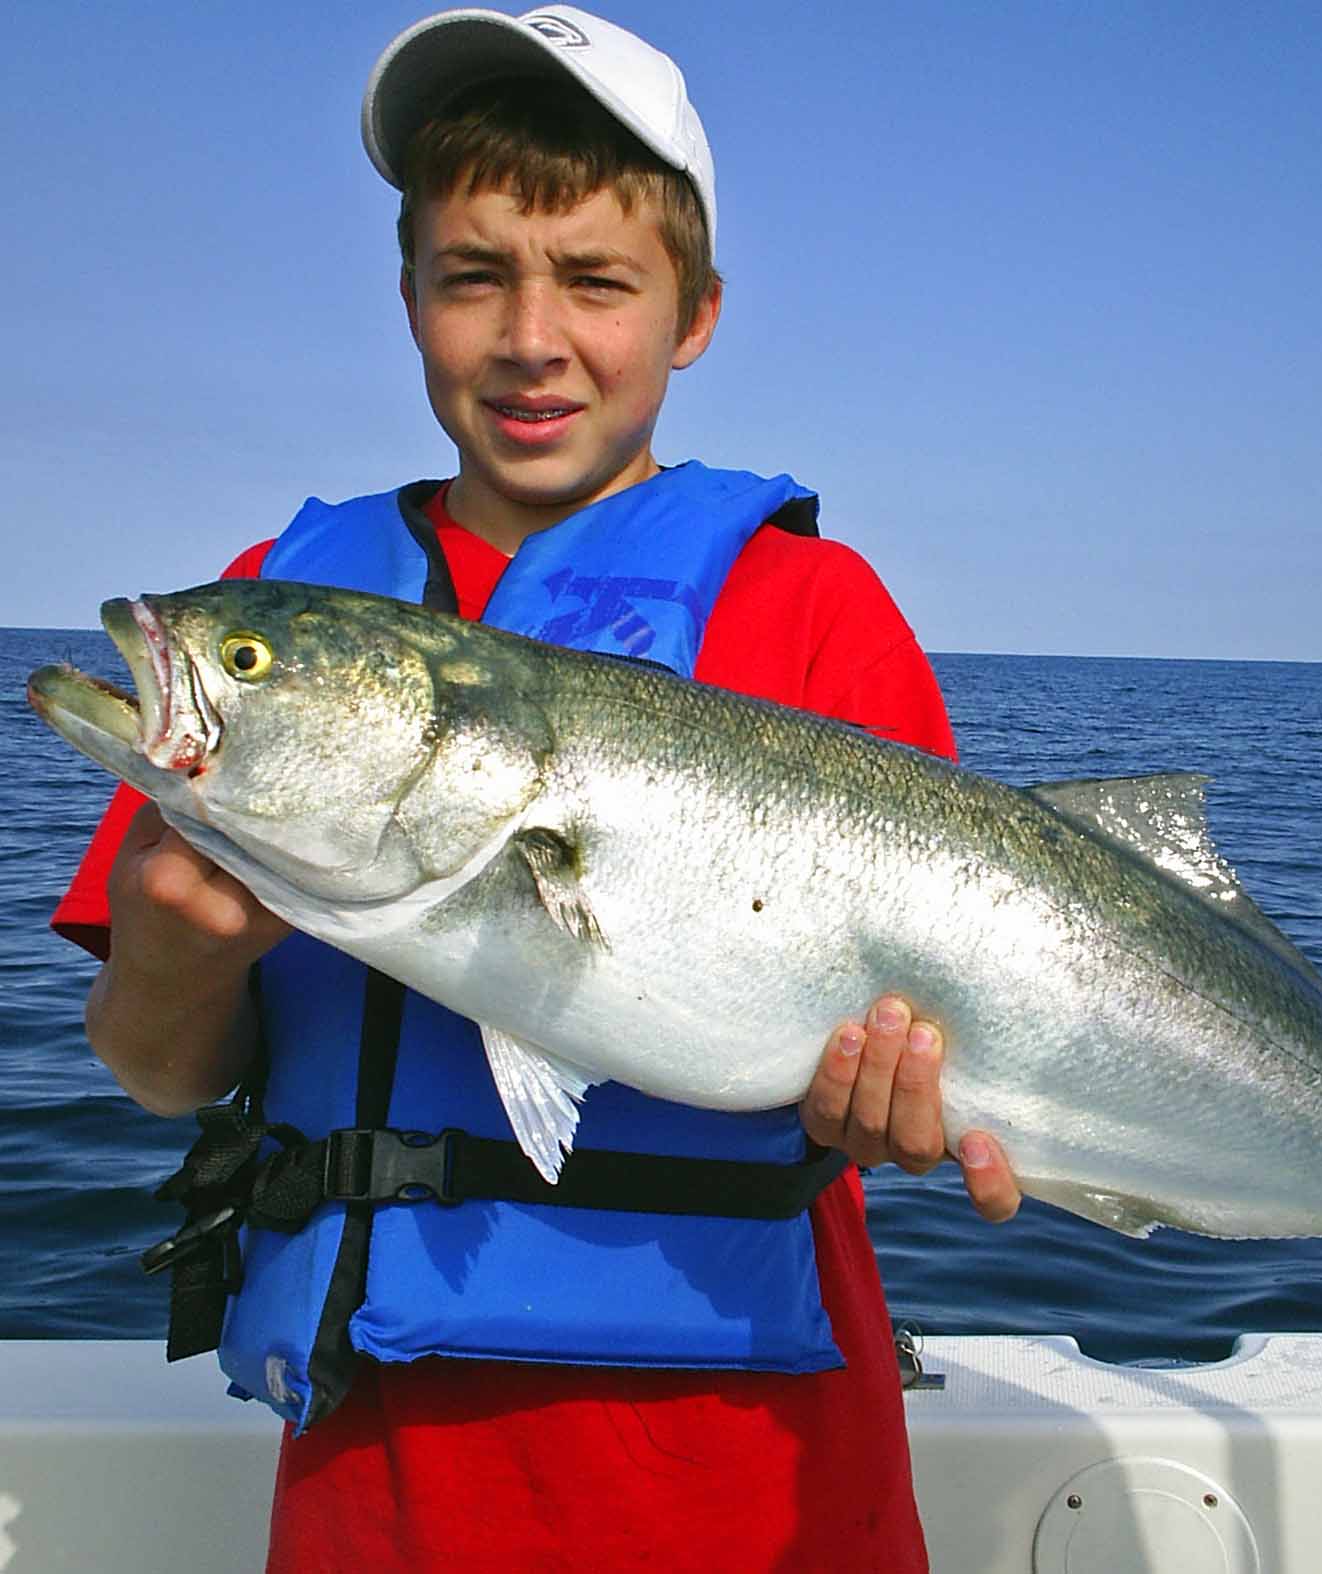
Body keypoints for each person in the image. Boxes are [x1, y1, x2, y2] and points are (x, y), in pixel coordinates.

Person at [51, 7, 1021, 1569]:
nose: (528, 337)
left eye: (594, 279)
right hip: (381, 1496)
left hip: (764, 1494)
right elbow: (157, 1068)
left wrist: (897, 1102)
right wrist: (175, 948)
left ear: (695, 311)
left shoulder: (816, 610)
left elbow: (941, 1027)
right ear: (410, 292)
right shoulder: (282, 610)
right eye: (472, 273)